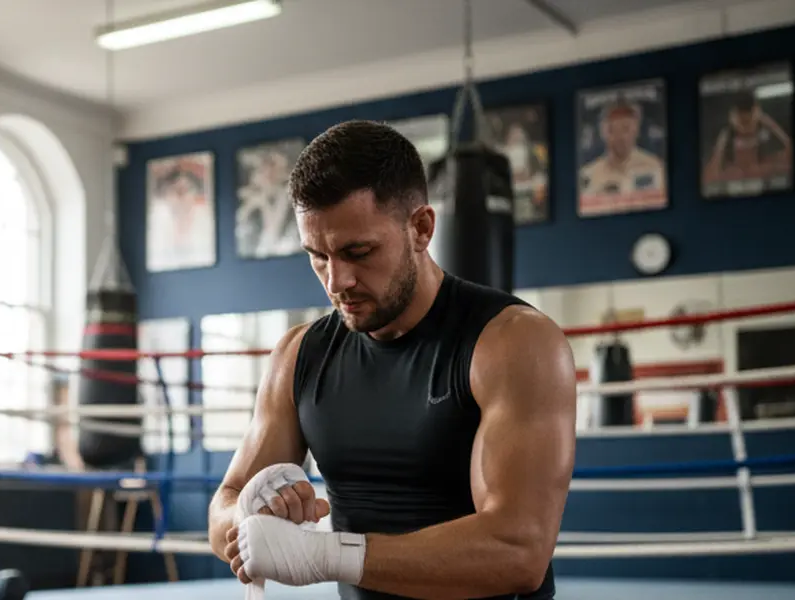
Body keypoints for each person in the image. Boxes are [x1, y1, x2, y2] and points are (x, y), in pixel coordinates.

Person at [207, 120, 577, 599]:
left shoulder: (512, 343)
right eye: (317, 256)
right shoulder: (299, 357)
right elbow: (224, 510)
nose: (336, 280)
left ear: (421, 228)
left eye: (357, 252)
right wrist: (251, 515)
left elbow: (518, 549)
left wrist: (329, 555)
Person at [578, 101, 666, 209]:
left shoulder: (655, 167)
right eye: (612, 130)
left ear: (636, 130)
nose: (619, 136)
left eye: (625, 129)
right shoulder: (588, 175)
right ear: (603, 133)